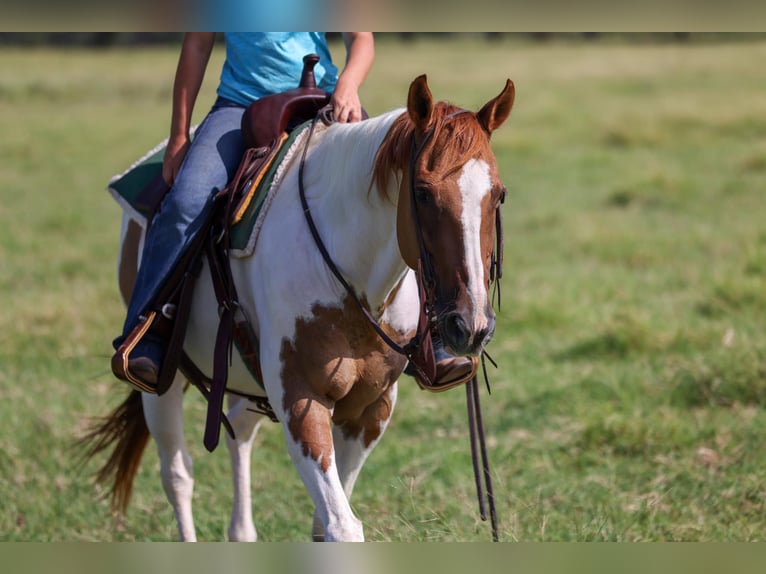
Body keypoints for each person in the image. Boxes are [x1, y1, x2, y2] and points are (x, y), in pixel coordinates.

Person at [113, 32, 474, 392]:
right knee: (186, 201)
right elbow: (196, 44)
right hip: (240, 106)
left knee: (398, 191)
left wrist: (347, 85)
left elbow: (361, 37)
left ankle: (432, 336)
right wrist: (179, 136)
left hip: (328, 99)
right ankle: (148, 331)